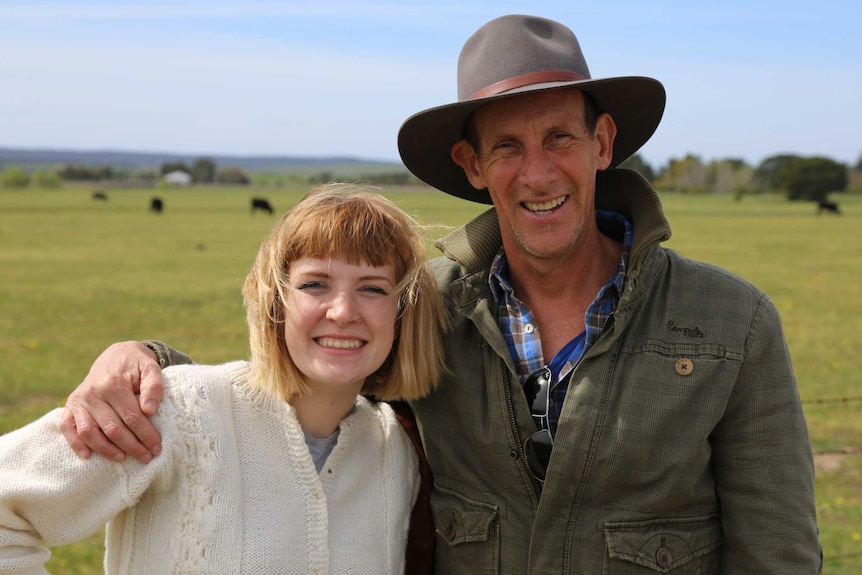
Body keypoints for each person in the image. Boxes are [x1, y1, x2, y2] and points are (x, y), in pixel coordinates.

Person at [59, 14, 822, 574]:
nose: (538, 172)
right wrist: (143, 363)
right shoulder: (426, 308)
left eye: (560, 137)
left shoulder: (732, 323)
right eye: (507, 147)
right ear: (470, 164)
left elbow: (777, 554)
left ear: (603, 143)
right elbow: (290, 392)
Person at [0, 183, 446, 574]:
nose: (344, 312)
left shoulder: (399, 454)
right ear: (275, 302)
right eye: (315, 285)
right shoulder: (176, 411)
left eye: (372, 288)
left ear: (402, 313)